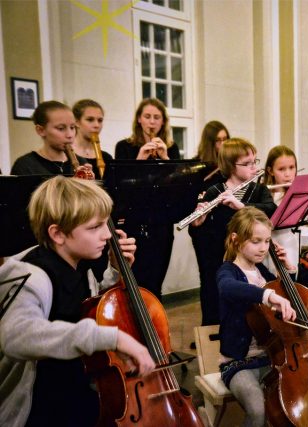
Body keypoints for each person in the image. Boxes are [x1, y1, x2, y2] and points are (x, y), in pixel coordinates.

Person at [0, 176, 154, 426]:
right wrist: (113, 338)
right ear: (58, 234)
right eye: (95, 227)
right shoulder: (30, 276)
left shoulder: (79, 266)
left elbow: (85, 310)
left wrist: (115, 271)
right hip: (38, 409)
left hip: (75, 387)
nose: (107, 234)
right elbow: (17, 335)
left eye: (106, 223)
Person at [216, 207, 296, 427]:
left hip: (273, 358)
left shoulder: (264, 273)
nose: (263, 248)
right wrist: (267, 294)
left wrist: (288, 272)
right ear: (236, 240)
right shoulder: (228, 271)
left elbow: (290, 298)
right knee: (256, 409)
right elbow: (228, 288)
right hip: (238, 363)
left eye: (267, 241)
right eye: (256, 241)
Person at [191, 138, 276, 326]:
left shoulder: (258, 189)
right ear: (230, 166)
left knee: (244, 302)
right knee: (214, 294)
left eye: (255, 161)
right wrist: (198, 223)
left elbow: (271, 209)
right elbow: (201, 235)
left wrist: (242, 206)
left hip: (247, 258)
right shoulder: (214, 191)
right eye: (247, 164)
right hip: (218, 255)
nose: (253, 167)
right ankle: (212, 337)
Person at [113, 98, 181, 300]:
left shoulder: (171, 147)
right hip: (134, 222)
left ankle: (155, 327)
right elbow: (122, 187)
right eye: (147, 116)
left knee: (156, 281)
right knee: (135, 281)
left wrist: (166, 158)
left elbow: (177, 185)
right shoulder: (124, 147)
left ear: (163, 122)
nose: (152, 122)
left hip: (161, 223)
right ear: (139, 120)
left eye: (157, 117)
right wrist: (140, 159)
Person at [188, 120, 230, 326]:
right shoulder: (198, 166)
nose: (222, 144)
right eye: (218, 140)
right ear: (209, 143)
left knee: (226, 277)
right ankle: (208, 329)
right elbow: (190, 197)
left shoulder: (228, 168)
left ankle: (225, 327)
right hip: (203, 229)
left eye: (225, 139)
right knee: (208, 279)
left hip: (223, 226)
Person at [11, 101, 92, 176]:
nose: (70, 135)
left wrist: (90, 186)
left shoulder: (82, 163)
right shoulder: (25, 166)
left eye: (72, 127)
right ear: (41, 130)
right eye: (61, 128)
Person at [262, 145, 300, 278]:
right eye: (281, 169)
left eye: (292, 167)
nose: (288, 174)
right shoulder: (263, 193)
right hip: (265, 245)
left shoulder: (298, 194)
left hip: (288, 244)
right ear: (270, 171)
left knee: (288, 286)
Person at [71, 99, 114, 177]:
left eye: (100, 120)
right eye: (90, 120)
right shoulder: (66, 155)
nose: (96, 125)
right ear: (76, 122)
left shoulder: (106, 157)